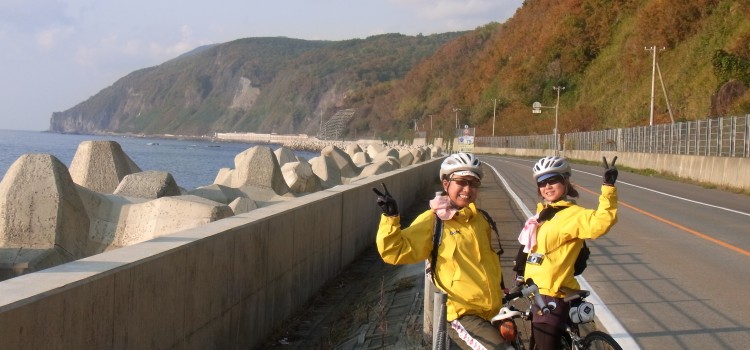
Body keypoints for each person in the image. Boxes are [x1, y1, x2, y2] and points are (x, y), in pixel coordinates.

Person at [373, 152, 507, 349]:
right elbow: (394, 251)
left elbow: (489, 263)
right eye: (461, 182)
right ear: (446, 184)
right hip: (461, 314)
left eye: (473, 183)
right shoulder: (433, 221)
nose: (467, 189)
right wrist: (390, 217)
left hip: (492, 308)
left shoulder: (481, 220)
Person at [517, 155, 619, 349]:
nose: (547, 186)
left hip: (552, 293)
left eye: (553, 180)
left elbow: (602, 221)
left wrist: (608, 188)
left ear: (565, 181)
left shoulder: (572, 215)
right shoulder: (542, 215)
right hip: (537, 291)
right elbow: (532, 251)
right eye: (542, 182)